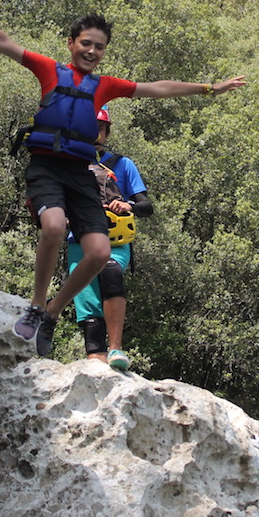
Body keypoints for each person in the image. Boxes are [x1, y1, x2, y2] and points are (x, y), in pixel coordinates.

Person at [0, 0, 246, 358]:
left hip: (80, 173)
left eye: (99, 46)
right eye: (86, 43)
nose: (92, 51)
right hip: (46, 167)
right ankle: (36, 306)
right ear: (71, 43)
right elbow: (2, 41)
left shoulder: (104, 86)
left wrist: (208, 88)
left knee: (99, 253)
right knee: (54, 226)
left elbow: (157, 88)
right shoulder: (49, 70)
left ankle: (52, 312)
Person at [68, 107, 153, 371]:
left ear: (106, 132)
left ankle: (116, 348)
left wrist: (127, 205)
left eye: (99, 128)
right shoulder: (68, 166)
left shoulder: (122, 165)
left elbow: (146, 206)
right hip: (79, 241)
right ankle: (96, 357)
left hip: (115, 240)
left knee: (111, 270)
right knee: (86, 297)